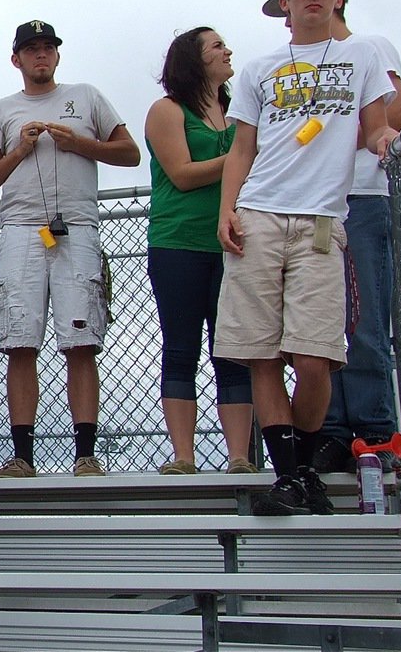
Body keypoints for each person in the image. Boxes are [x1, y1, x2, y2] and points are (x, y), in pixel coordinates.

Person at [215, 0, 397, 516]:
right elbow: (242, 148)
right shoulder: (260, 68)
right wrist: (227, 210)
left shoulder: (362, 55)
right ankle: (293, 476)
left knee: (315, 356)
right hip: (259, 211)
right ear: (285, 5)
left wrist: (388, 139)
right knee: (262, 354)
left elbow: (375, 128)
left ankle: (301, 468)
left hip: (322, 219)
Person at [0, 21, 141, 478]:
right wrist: (19, 151)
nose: (41, 55)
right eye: (32, 49)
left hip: (77, 227)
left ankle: (85, 453)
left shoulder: (86, 96)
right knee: (19, 342)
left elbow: (130, 153)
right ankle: (22, 456)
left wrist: (79, 143)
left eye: (48, 47)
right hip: (20, 229)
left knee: (81, 341)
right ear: (16, 59)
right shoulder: (1, 110)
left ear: (57, 55)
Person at [261, 0, 401, 474]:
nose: (293, 15)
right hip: (309, 204)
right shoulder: (290, 66)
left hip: (360, 197)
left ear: (338, 0)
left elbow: (395, 116)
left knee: (363, 322)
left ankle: (375, 431)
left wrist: (342, 134)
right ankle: (332, 432)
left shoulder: (369, 48)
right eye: (289, 4)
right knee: (322, 328)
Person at [143, 28, 255, 475]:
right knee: (181, 347)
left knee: (233, 349)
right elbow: (182, 173)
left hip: (234, 242)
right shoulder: (167, 110)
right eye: (217, 46)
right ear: (194, 59)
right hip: (178, 242)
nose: (228, 51)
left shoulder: (238, 112)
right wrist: (244, 155)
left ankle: (240, 457)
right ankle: (184, 457)